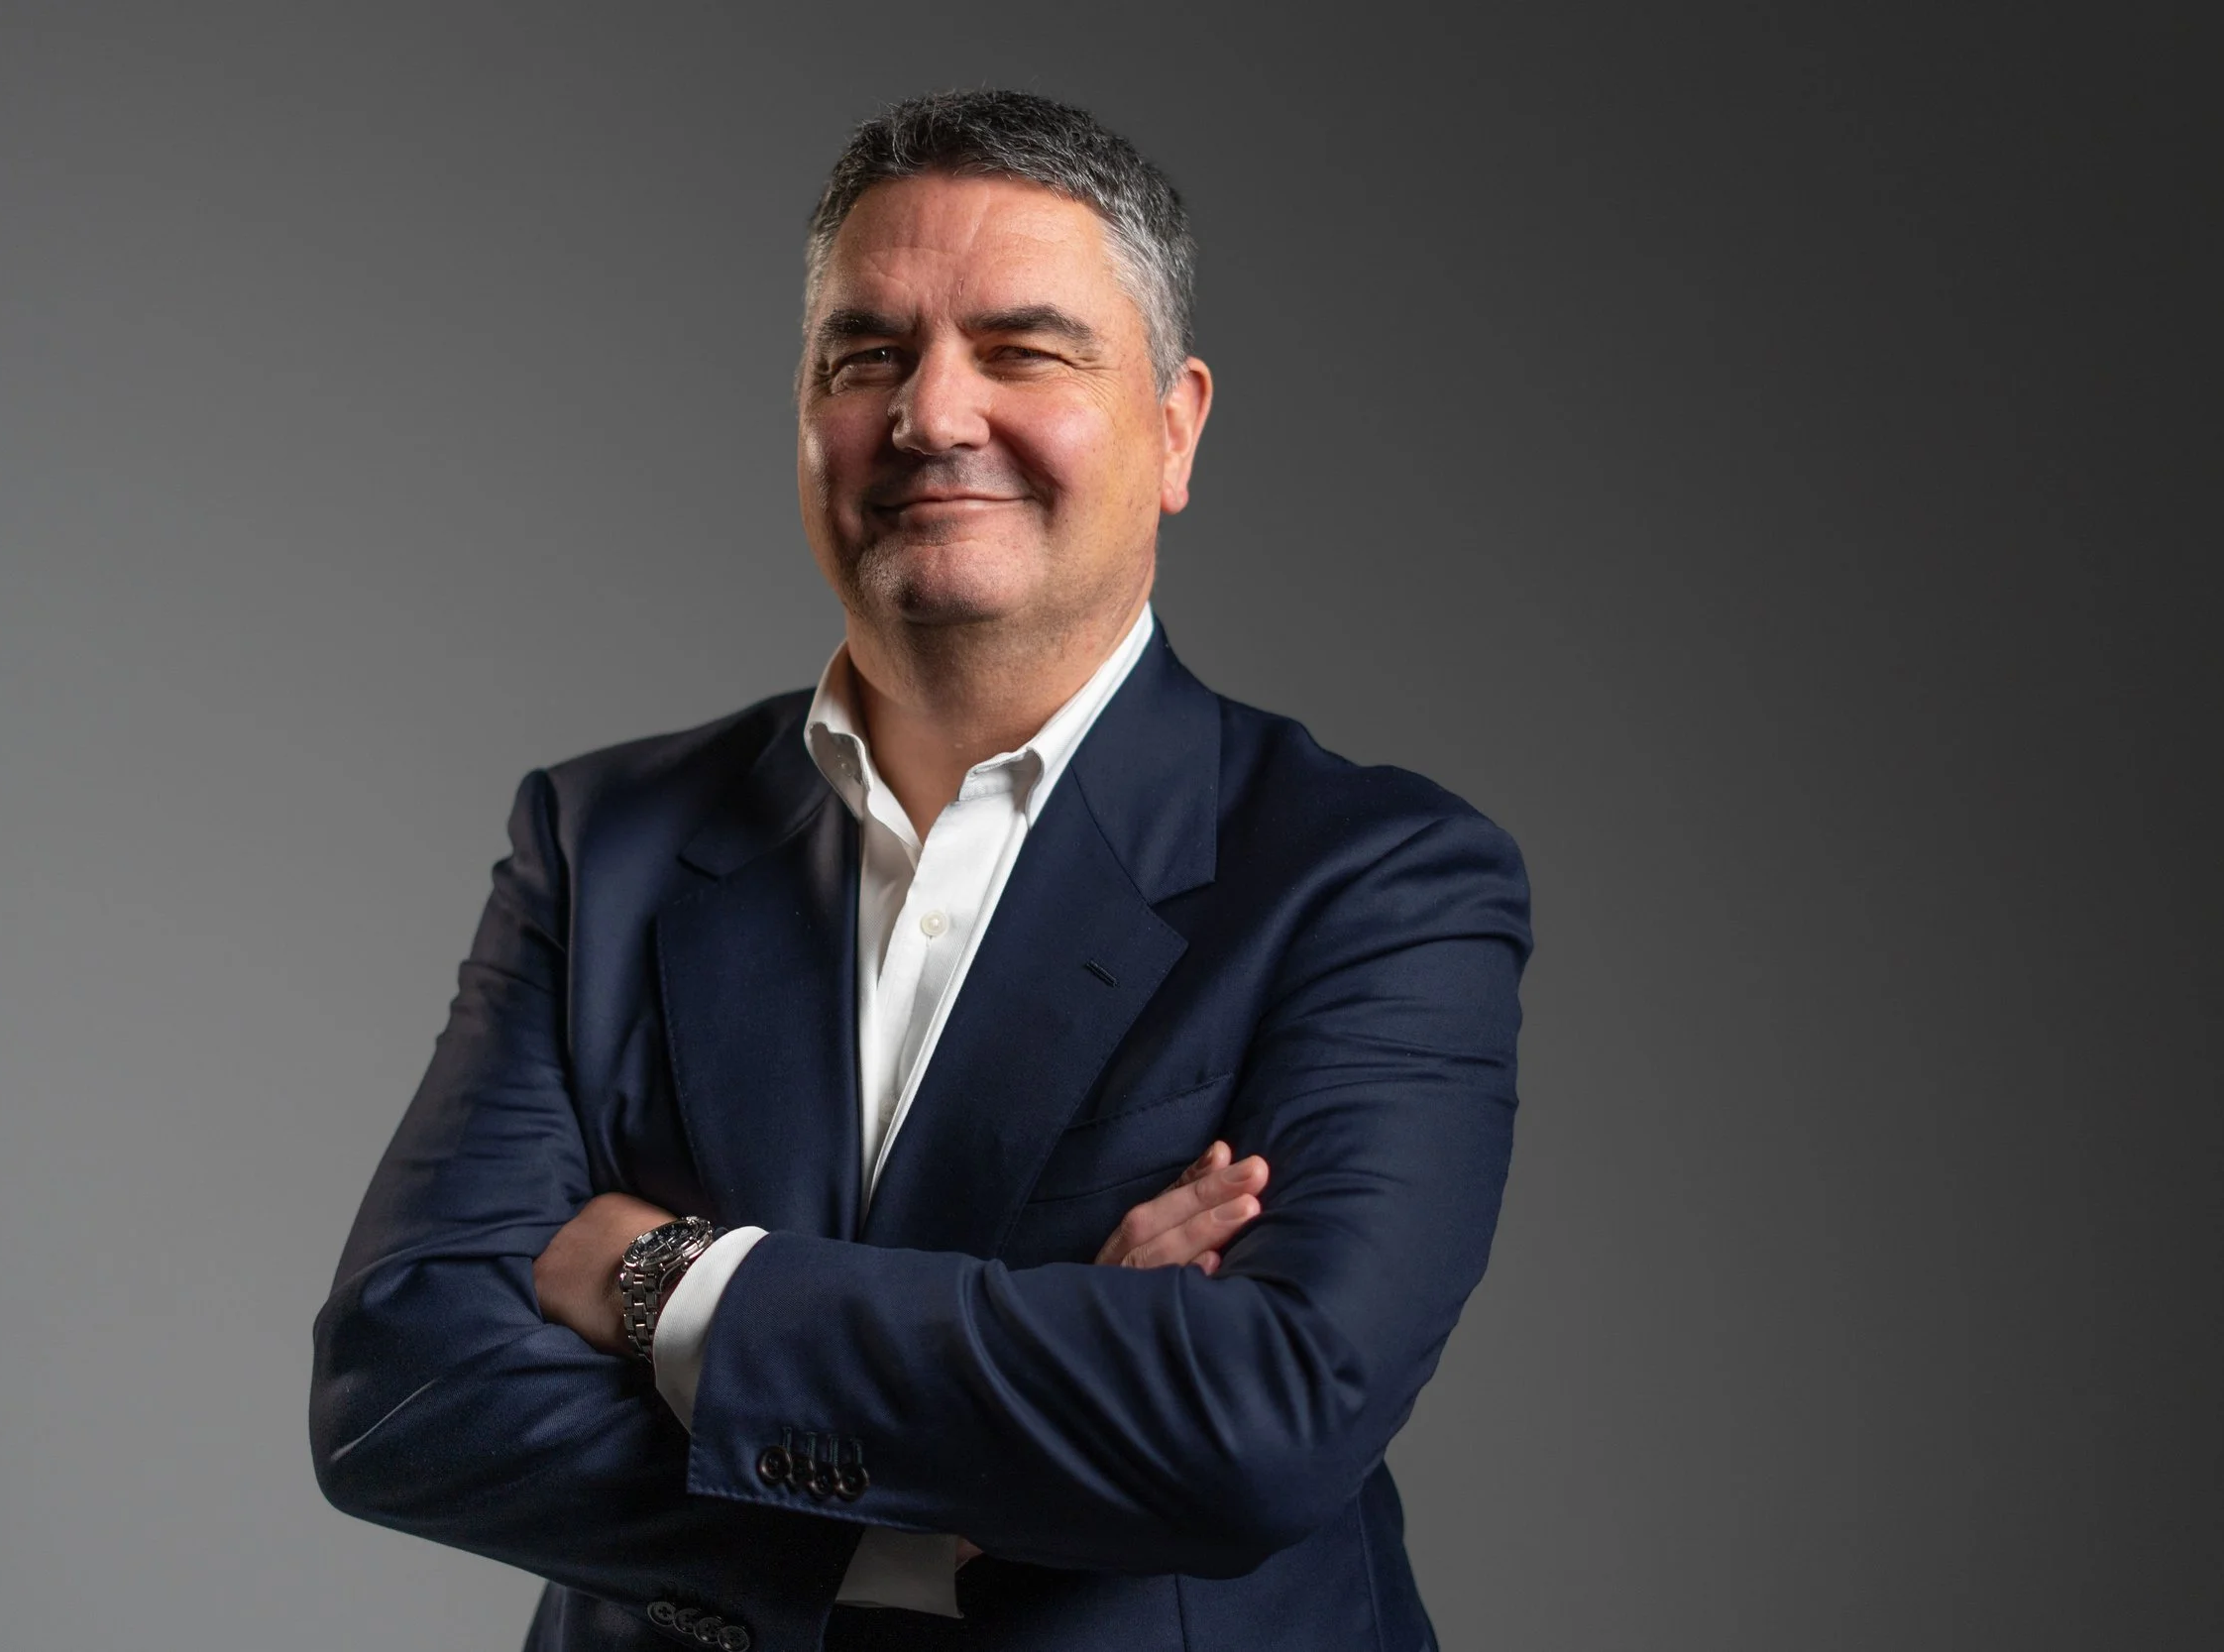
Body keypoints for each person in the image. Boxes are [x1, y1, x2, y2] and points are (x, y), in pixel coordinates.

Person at [310, 88, 1531, 1652]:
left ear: (1175, 426)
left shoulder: (1378, 878)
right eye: (867, 354)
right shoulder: (599, 839)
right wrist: (1013, 1429)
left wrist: (667, 1279)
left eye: (1024, 351)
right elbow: (396, 1391)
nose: (932, 415)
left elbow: (1259, 1423)